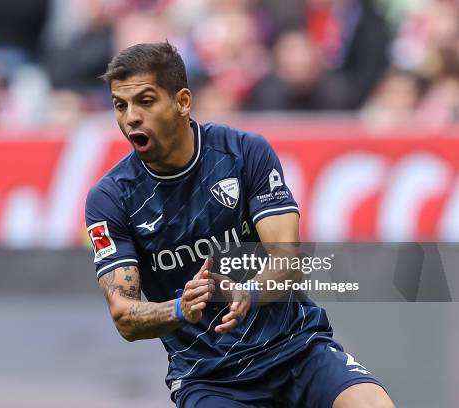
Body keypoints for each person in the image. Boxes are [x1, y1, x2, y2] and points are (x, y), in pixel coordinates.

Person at [85, 41, 395, 408]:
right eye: (120, 106)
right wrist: (180, 308)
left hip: (296, 349)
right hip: (210, 377)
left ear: (183, 102)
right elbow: (125, 316)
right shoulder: (110, 199)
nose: (131, 117)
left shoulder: (244, 153)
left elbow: (288, 261)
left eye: (146, 101)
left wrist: (249, 293)